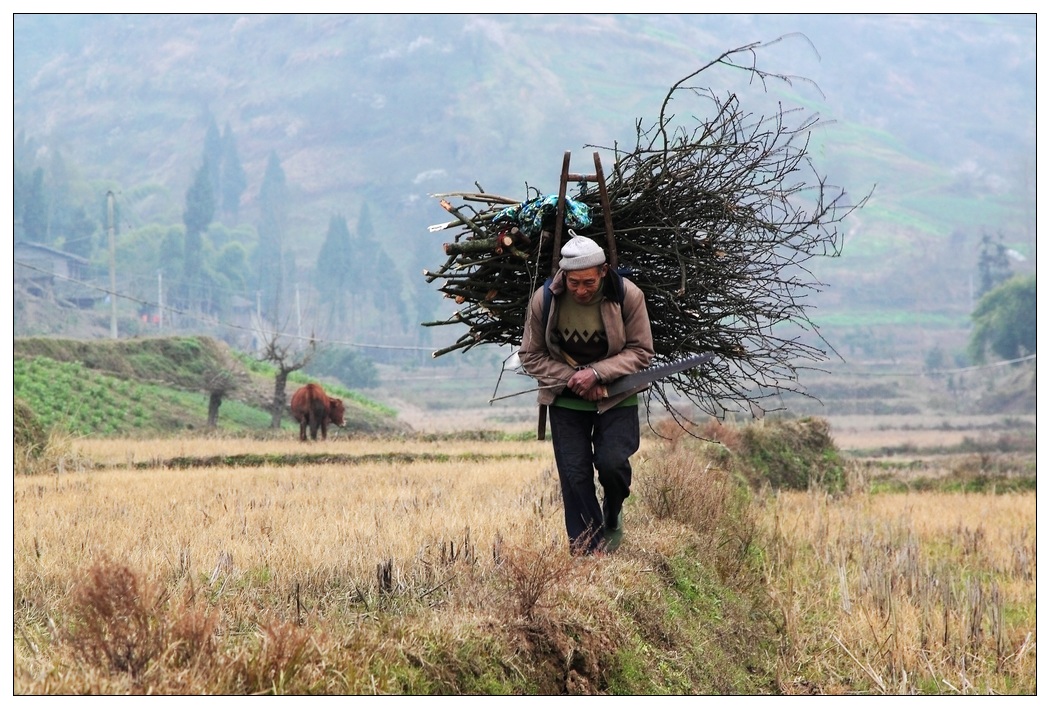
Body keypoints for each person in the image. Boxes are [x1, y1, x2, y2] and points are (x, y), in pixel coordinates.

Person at [518, 232, 654, 555]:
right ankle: (588, 552)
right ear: (564, 275)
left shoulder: (628, 296)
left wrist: (597, 374)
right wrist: (572, 379)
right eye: (574, 282)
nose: (580, 290)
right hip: (565, 399)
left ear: (603, 272)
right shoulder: (545, 300)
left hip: (617, 394)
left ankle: (613, 511)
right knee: (575, 475)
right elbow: (530, 356)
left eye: (588, 283)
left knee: (612, 465)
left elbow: (641, 351)